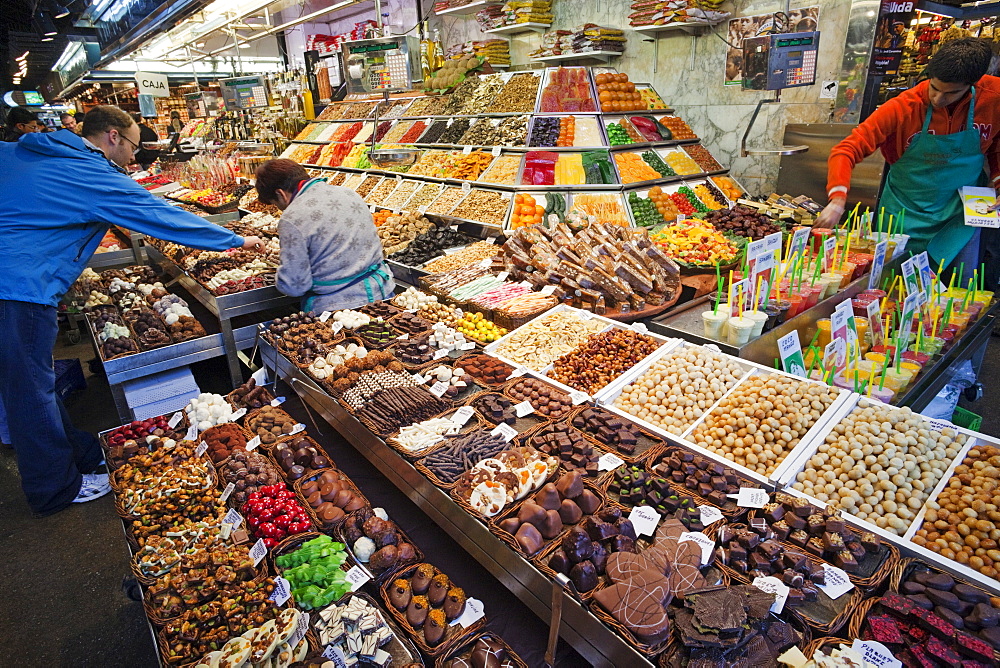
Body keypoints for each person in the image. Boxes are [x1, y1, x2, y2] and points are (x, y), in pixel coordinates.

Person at [0, 105, 263, 517]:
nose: (135, 157)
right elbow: (157, 216)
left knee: (30, 384)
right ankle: (54, 489)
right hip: (17, 289)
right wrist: (233, 241)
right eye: (136, 146)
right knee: (28, 392)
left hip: (15, 279)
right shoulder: (88, 172)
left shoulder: (27, 151)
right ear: (112, 137)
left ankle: (83, 454)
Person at [816, 38, 1000, 280]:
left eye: (951, 93)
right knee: (893, 287)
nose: (938, 99)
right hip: (904, 213)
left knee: (957, 290)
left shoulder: (994, 96)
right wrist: (837, 199)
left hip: (961, 215)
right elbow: (846, 150)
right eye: (934, 88)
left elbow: (996, 146)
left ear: (973, 84)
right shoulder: (904, 106)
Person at [253, 159, 394, 312]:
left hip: (340, 310)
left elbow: (295, 286)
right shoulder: (349, 193)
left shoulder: (292, 217)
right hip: (383, 295)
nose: (279, 209)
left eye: (275, 203)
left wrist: (279, 277)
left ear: (280, 194)